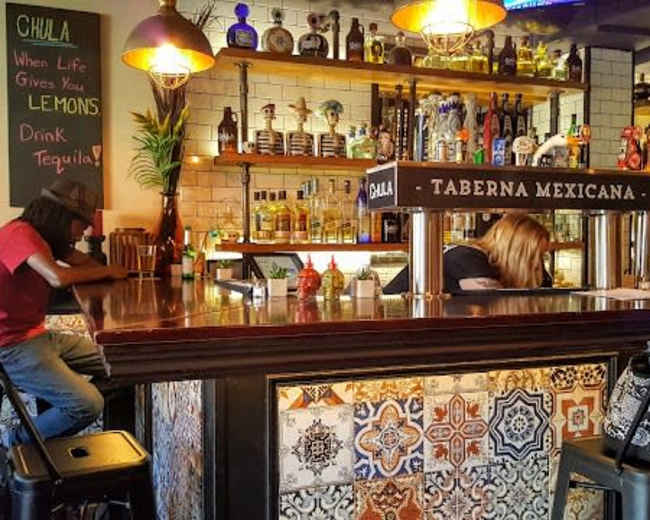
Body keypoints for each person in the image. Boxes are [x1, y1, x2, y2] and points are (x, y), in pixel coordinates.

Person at [0, 179, 127, 447]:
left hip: (39, 337)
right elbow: (57, 277)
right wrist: (106, 271)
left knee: (125, 362)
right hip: (12, 347)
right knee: (88, 404)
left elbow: (86, 264)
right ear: (63, 217)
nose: (85, 231)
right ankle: (14, 443)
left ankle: (64, 407)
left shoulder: (47, 241)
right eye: (82, 224)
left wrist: (108, 270)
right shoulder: (19, 234)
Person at [385, 213, 551, 294]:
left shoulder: (481, 258)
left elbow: (544, 286)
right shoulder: (470, 259)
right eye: (535, 257)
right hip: (392, 327)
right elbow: (495, 307)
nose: (538, 265)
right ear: (517, 254)